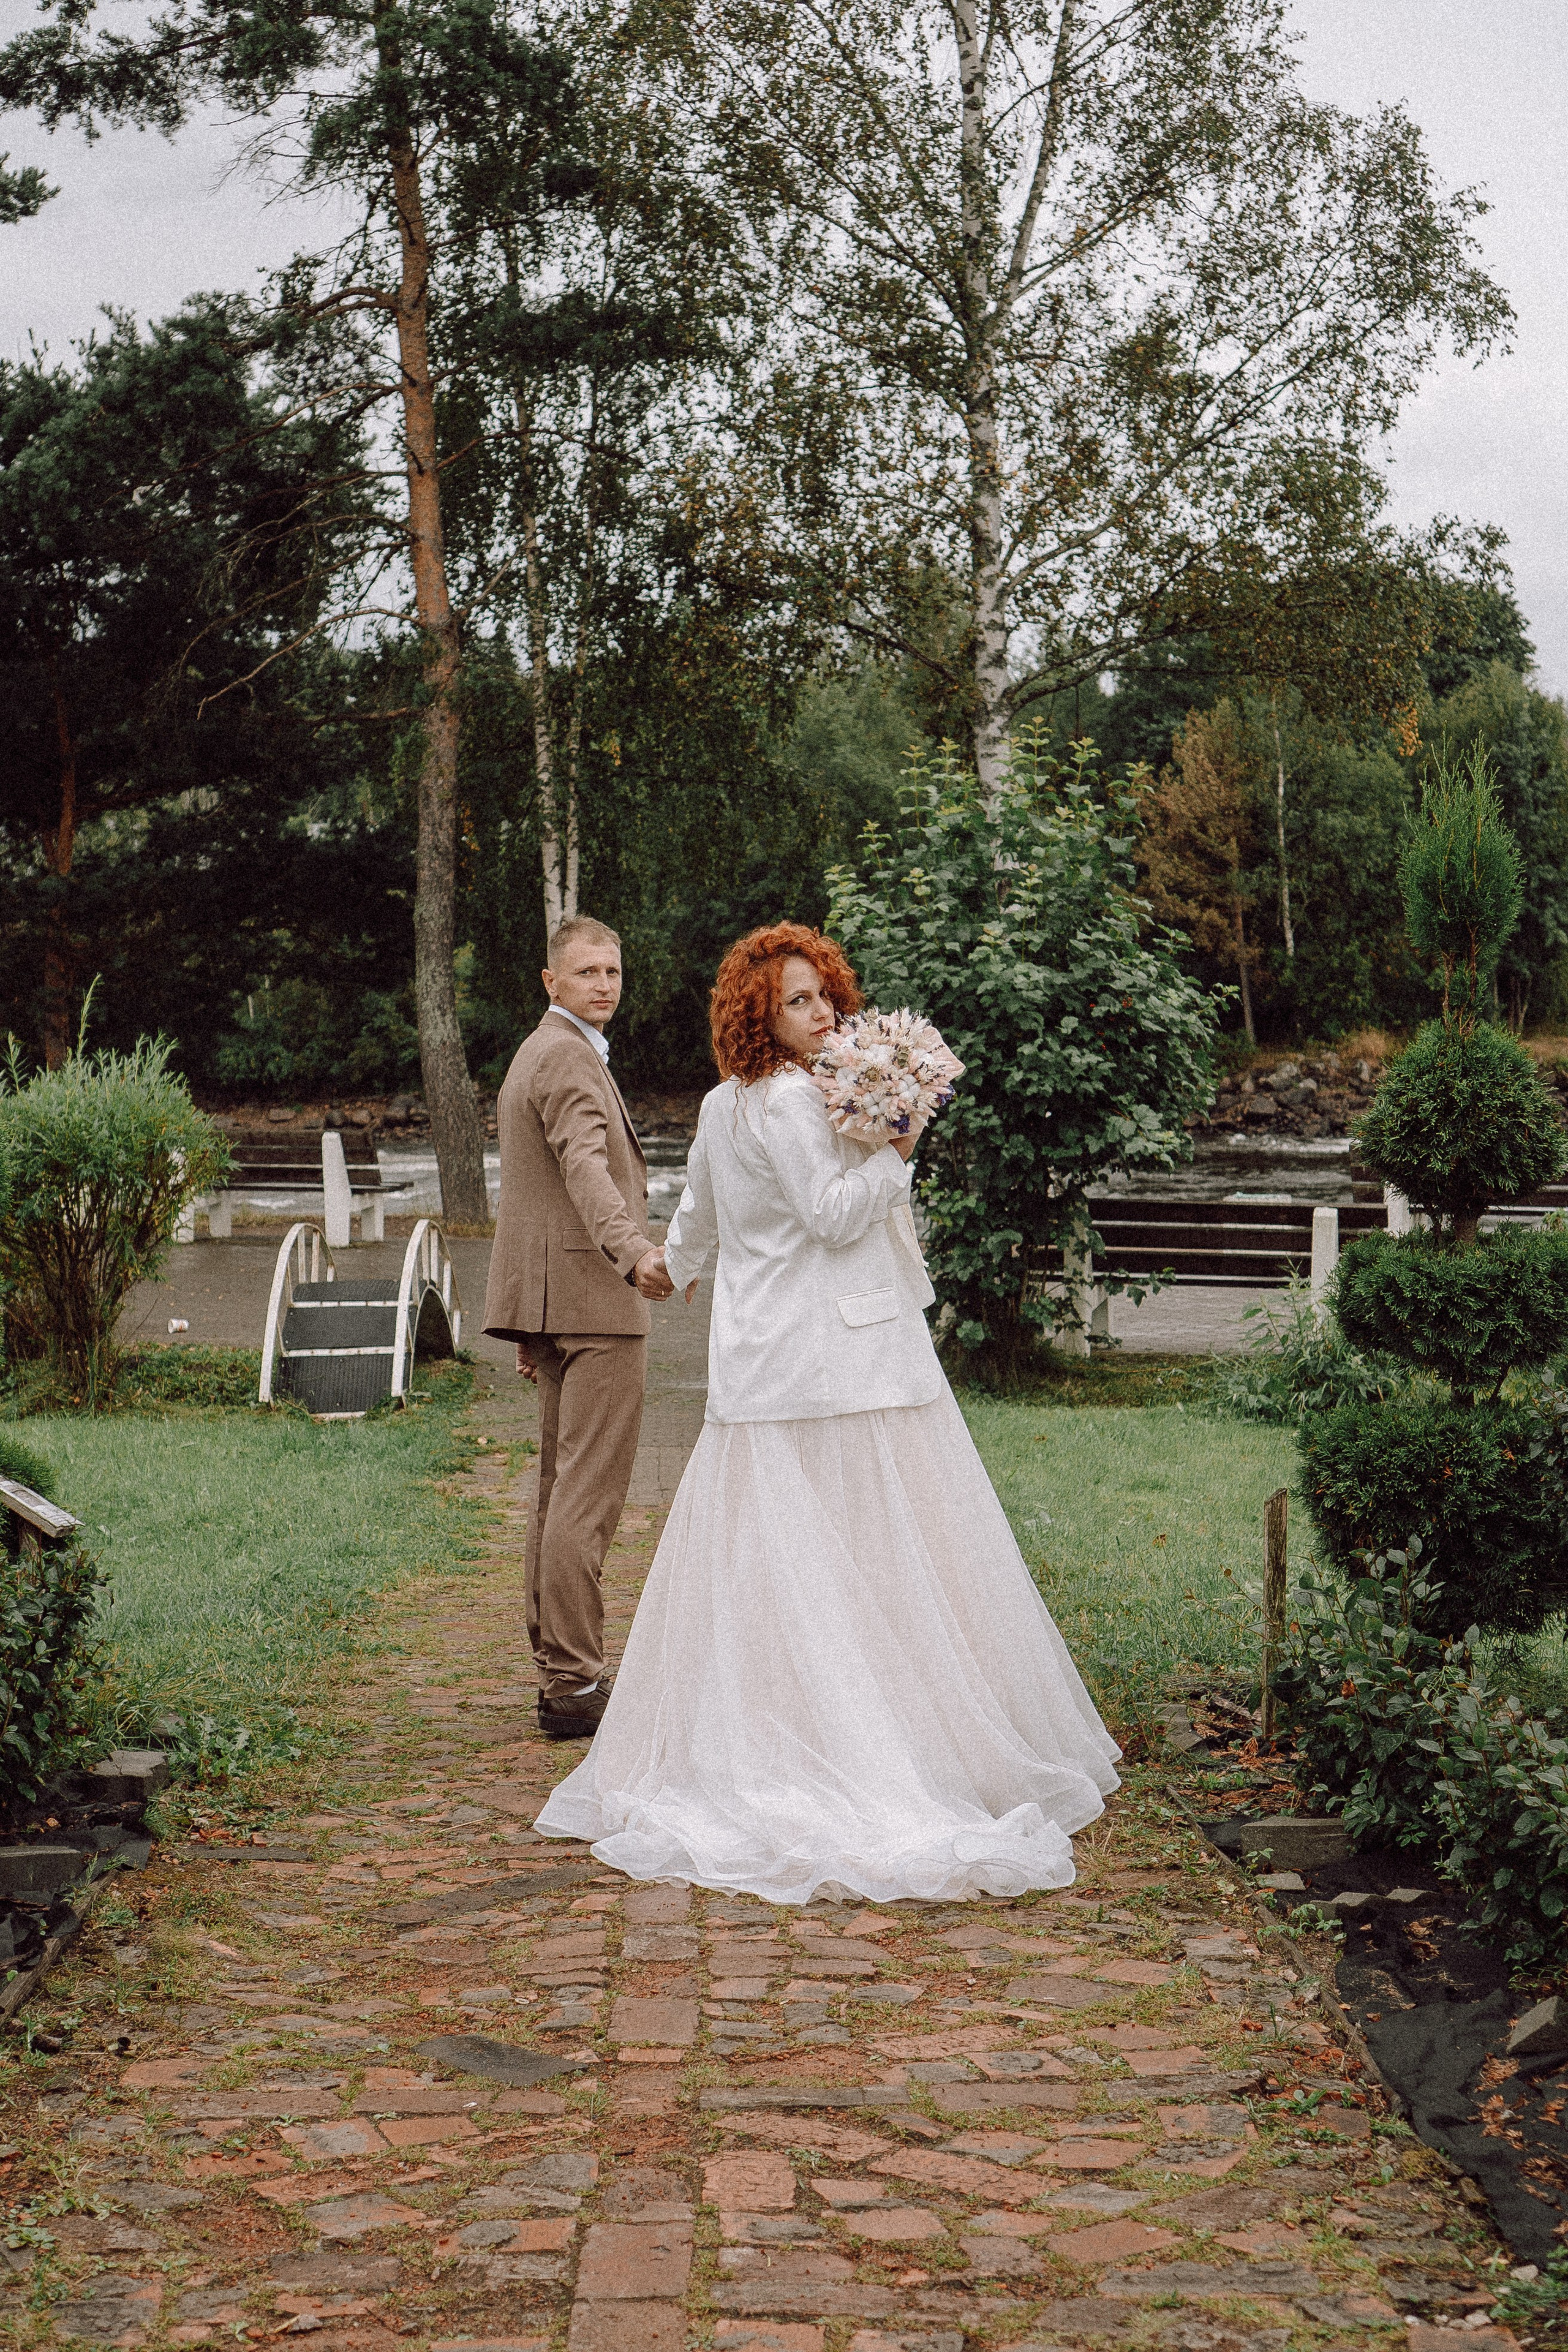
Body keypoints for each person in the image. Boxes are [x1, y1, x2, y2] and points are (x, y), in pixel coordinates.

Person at [536, 921, 1120, 1901]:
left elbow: (699, 1216)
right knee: (878, 1551)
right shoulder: (798, 1101)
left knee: (784, 1563)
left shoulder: (725, 1105)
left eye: (826, 996)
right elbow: (833, 1215)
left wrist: (667, 1269)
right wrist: (901, 1143)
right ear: (758, 1013)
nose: (821, 1013)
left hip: (765, 1366)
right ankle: (870, 1742)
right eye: (797, 1000)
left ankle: (788, 1725)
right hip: (847, 1364)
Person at [481, 916, 674, 1742]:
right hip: (595, 1303)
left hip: (563, 1302)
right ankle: (574, 1682)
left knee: (561, 1493)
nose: (604, 984)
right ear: (550, 981)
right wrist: (637, 1254)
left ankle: (562, 1673)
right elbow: (585, 1169)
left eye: (614, 972)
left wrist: (534, 1320)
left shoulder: (546, 1049)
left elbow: (538, 1187)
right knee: (585, 1502)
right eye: (587, 972)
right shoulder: (564, 1055)